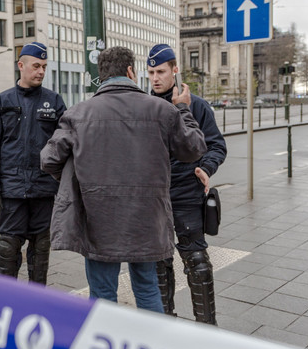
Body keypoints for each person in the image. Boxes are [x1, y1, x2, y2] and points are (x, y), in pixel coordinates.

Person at [40, 46, 206, 312]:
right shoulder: (162, 110)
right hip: (147, 220)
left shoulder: (78, 114)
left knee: (103, 295)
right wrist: (184, 109)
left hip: (98, 220)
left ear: (101, 75)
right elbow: (194, 148)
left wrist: (80, 179)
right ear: (130, 71)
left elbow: (48, 159)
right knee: (147, 289)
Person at [147, 44, 227, 325]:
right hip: (154, 198)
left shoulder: (198, 106)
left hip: (186, 196)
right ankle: (166, 324)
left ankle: (207, 327)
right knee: (158, 264)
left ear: (175, 70)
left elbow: (216, 146)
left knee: (198, 263)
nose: (155, 78)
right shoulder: (145, 106)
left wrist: (206, 168)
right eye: (151, 72)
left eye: (161, 72)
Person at [0, 42, 66, 284]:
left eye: (44, 67)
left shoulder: (55, 101)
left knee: (41, 252)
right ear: (21, 66)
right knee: (8, 250)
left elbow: (66, 146)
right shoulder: (2, 101)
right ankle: (6, 299)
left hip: (44, 191)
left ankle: (36, 300)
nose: (40, 71)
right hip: (13, 192)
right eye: (36, 66)